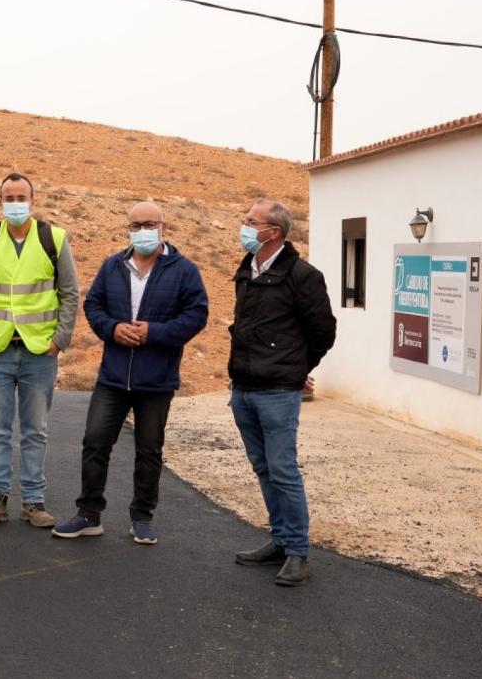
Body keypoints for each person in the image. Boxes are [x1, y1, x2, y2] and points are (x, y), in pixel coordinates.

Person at [52, 201, 208, 545]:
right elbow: (93, 305)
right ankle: (89, 514)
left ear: (164, 227)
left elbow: (196, 315)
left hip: (157, 379)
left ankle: (142, 517)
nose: (142, 231)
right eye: (135, 225)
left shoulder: (184, 270)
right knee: (94, 442)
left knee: (149, 450)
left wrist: (154, 332)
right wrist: (112, 328)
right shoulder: (113, 266)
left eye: (148, 224)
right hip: (113, 377)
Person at [228, 199, 336, 586]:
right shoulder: (247, 271)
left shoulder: (303, 275)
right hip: (243, 389)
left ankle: (297, 551)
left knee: (283, 470)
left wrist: (297, 369)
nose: (243, 227)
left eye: (250, 221)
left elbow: (323, 331)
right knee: (263, 468)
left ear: (273, 232)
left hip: (277, 392)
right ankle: (279, 538)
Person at [0, 173, 78, 529]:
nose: (15, 203)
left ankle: (34, 501)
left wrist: (60, 339)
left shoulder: (53, 238)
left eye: (21, 196)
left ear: (33, 199)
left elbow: (70, 292)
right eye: (8, 197)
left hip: (39, 352)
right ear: (0, 202)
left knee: (35, 430)